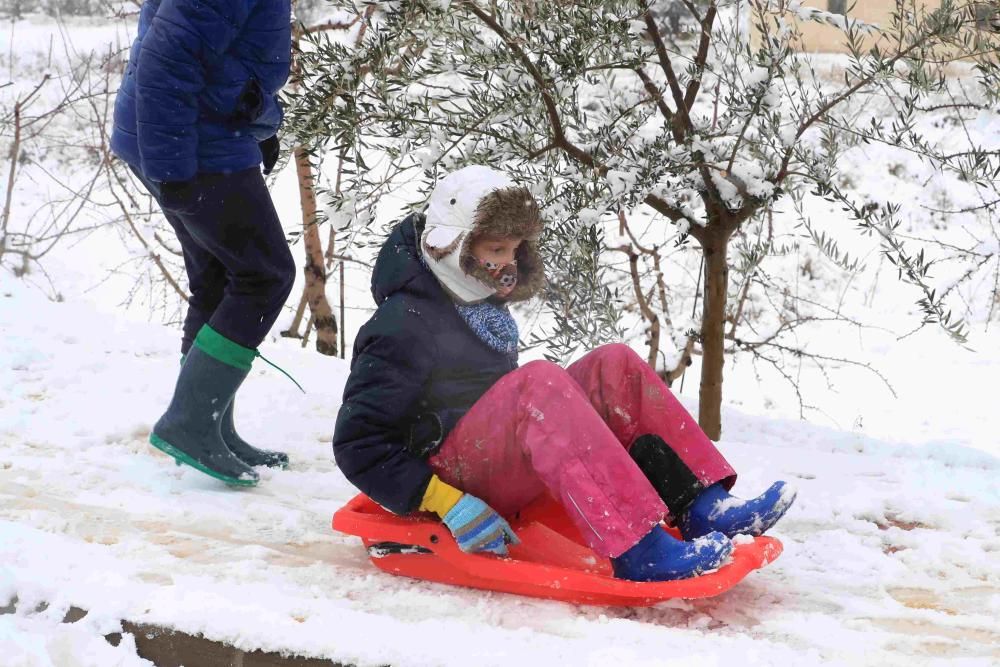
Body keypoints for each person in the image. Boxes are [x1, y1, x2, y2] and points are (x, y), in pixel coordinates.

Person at [333, 166, 797, 581]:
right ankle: (636, 548)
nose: (507, 263)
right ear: (449, 244)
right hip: (447, 477)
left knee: (613, 365)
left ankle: (702, 505)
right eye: (496, 248)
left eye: (514, 250)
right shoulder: (401, 325)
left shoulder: (473, 297)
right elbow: (359, 444)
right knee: (537, 384)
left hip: (488, 453)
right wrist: (445, 502)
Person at [110, 0, 296, 486]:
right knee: (265, 274)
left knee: (219, 277)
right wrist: (170, 165)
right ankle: (190, 422)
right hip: (191, 144)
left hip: (198, 134)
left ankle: (210, 422)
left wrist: (259, 122)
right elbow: (166, 61)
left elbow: (228, 55)